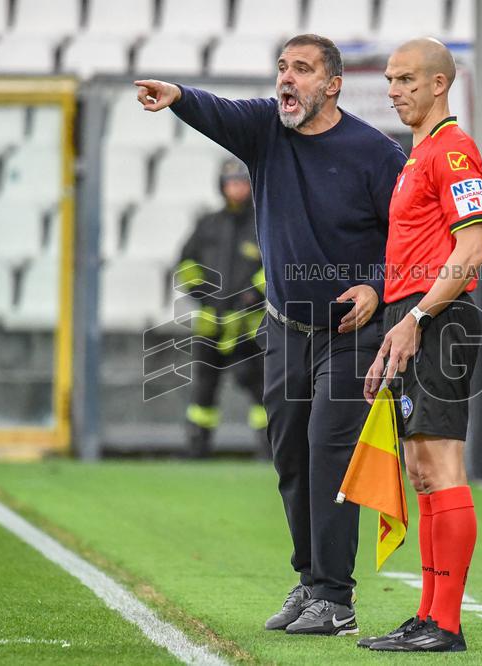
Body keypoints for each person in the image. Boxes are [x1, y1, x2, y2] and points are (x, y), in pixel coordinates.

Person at [136, 33, 407, 635]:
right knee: (290, 456)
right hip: (284, 330)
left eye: (303, 69)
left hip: (350, 336)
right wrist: (178, 95)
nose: (287, 77)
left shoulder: (376, 154)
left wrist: (376, 287)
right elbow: (219, 111)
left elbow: (410, 237)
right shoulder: (265, 130)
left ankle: (335, 599)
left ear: (332, 85)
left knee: (328, 451)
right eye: (283, 67)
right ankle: (310, 581)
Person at [358, 38, 482, 653]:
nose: (393, 91)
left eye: (406, 79)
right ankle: (428, 616)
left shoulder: (454, 151)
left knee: (441, 466)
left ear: (440, 84)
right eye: (390, 79)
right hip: (415, 317)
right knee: (420, 470)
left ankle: (447, 625)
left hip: (441, 319)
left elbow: (473, 251)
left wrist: (415, 317)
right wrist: (397, 323)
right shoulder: (419, 155)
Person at [174, 158, 268, 459]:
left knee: (259, 385)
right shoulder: (208, 224)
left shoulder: (263, 223)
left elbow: (275, 267)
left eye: (241, 182)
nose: (236, 188)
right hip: (210, 322)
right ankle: (197, 445)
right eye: (231, 183)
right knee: (204, 386)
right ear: (222, 186)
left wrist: (254, 293)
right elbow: (186, 263)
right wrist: (201, 292)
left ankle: (268, 447)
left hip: (249, 325)